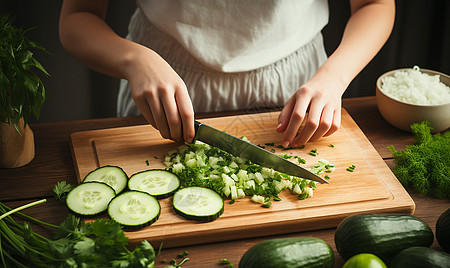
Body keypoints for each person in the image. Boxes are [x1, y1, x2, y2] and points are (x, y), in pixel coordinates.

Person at [59, 0, 395, 147]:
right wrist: (133, 60)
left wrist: (334, 78)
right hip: (161, 85)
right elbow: (77, 16)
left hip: (299, 89)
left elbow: (375, 4)